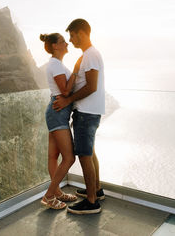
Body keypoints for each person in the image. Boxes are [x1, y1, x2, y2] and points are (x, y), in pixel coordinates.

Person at [53, 19, 105, 214]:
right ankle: (96, 190)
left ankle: (91, 202)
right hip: (92, 111)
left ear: (81, 33)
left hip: (86, 112)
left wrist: (68, 100)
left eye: (72, 35)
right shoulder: (89, 55)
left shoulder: (90, 55)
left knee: (84, 155)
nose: (70, 40)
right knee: (89, 152)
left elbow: (91, 86)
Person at [40, 32, 81, 209]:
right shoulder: (55, 65)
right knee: (69, 158)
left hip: (57, 111)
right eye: (63, 42)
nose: (67, 44)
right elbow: (65, 91)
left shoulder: (56, 64)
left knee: (53, 156)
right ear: (55, 46)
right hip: (58, 112)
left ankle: (56, 193)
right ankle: (49, 196)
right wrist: (76, 71)